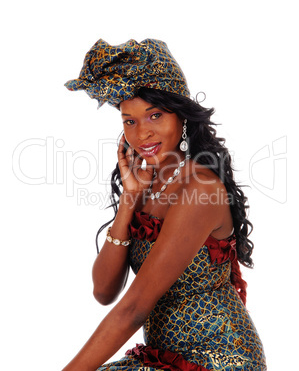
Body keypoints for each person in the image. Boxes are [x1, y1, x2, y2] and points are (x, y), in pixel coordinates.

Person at [63, 39, 267, 370]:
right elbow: (103, 291)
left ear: (181, 116)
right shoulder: (144, 184)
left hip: (219, 358)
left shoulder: (199, 189)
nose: (142, 133)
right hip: (161, 357)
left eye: (154, 115)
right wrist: (129, 202)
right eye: (129, 121)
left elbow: (133, 308)